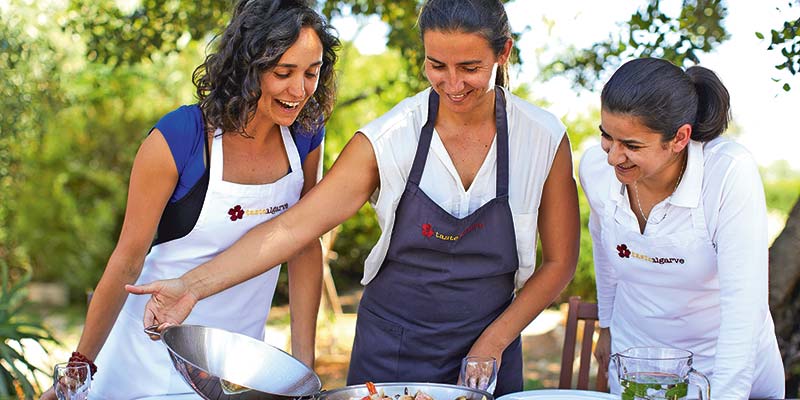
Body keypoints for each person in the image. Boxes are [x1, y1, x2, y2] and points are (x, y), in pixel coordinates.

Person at [127, 0, 579, 396]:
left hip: (493, 349)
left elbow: (560, 262)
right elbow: (293, 228)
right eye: (437, 65)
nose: (453, 83)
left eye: (470, 68)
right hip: (391, 352)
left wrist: (493, 342)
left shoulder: (542, 138)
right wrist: (192, 286)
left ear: (503, 52)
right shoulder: (391, 137)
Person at [41, 0, 339, 398]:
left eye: (312, 73)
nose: (299, 90)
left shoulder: (305, 135)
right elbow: (127, 261)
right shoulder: (180, 137)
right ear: (248, 66)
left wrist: (303, 374)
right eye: (283, 73)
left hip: (236, 369)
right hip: (146, 360)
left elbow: (303, 243)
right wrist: (78, 368)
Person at [581, 58, 785, 399]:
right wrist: (607, 324)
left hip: (722, 367)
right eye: (606, 136)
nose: (613, 157)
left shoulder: (727, 172)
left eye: (632, 145)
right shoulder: (595, 170)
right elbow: (606, 250)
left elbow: (744, 306)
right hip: (636, 361)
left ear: (679, 138)